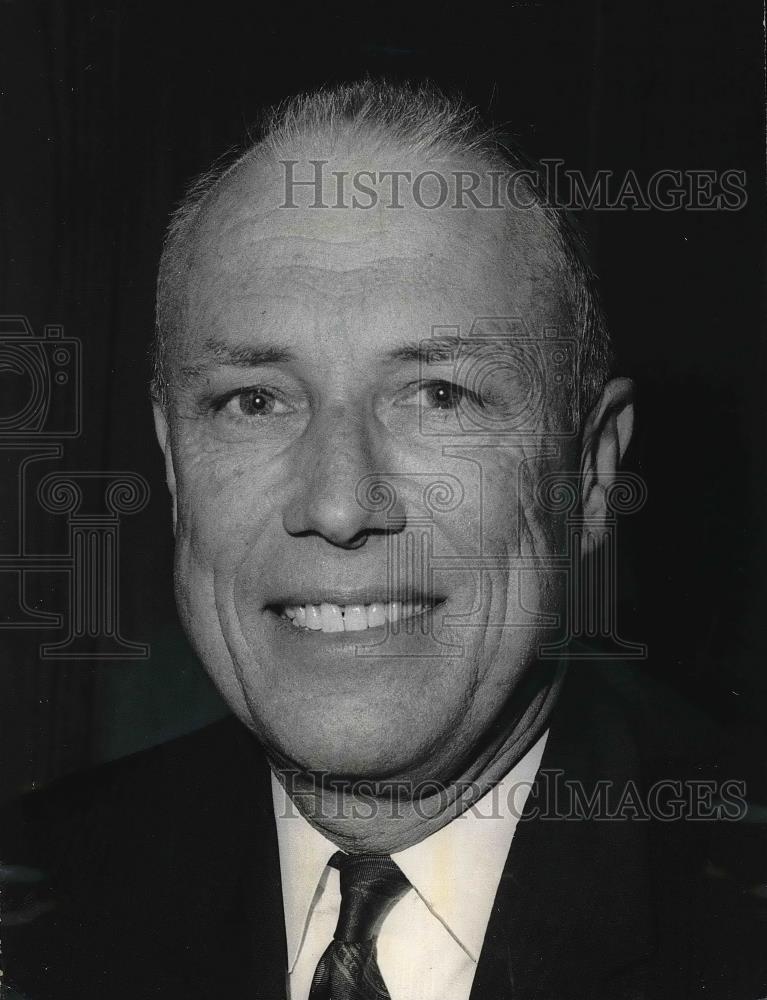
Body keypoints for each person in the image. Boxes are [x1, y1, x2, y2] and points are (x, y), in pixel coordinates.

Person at [2, 80, 764, 1000]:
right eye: (255, 400)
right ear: (172, 464)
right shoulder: (41, 893)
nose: (336, 504)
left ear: (590, 473)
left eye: (438, 394)